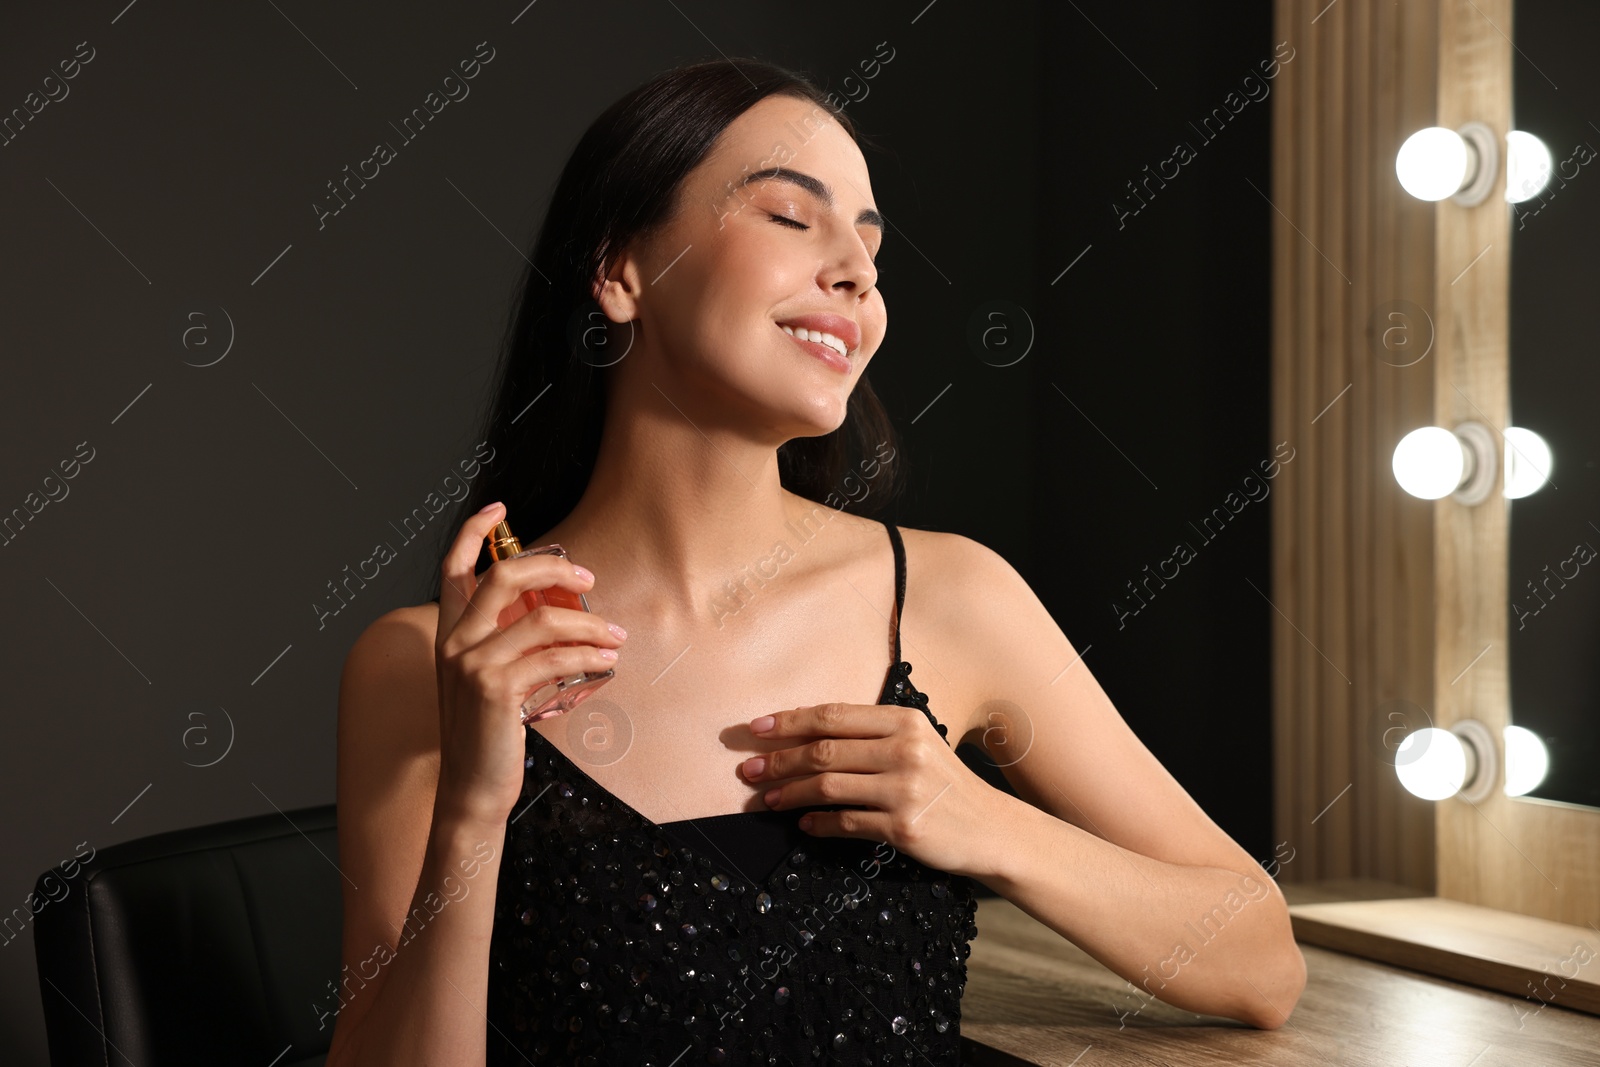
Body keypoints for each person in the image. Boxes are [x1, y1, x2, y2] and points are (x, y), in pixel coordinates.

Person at [325, 57, 1306, 1066]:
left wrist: (980, 822)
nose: (856, 269)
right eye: (792, 217)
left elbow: (1258, 961)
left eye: (869, 242)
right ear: (621, 273)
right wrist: (476, 808)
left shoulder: (951, 596)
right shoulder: (433, 660)